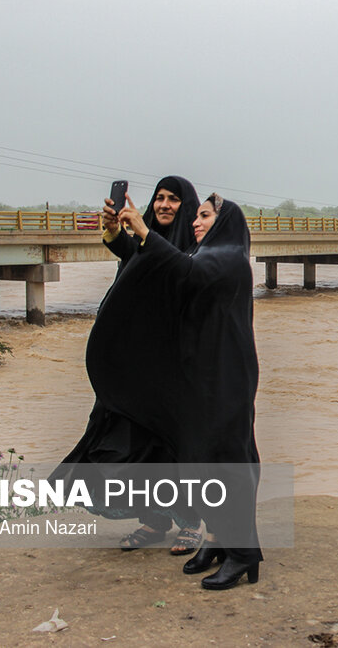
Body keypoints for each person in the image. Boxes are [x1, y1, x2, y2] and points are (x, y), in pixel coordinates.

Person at [93, 192, 263, 589]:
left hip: (226, 378)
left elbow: (184, 273)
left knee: (226, 462)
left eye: (205, 216)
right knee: (204, 460)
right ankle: (220, 541)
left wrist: (144, 230)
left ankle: (242, 553)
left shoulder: (228, 259)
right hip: (206, 378)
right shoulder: (209, 256)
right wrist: (121, 234)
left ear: (224, 222)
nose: (195, 222)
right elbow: (164, 272)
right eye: (197, 216)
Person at [60, 176, 203, 555]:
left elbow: (183, 274)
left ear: (186, 206)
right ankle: (153, 520)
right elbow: (132, 254)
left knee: (170, 447)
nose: (164, 205)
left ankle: (191, 524)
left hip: (172, 371)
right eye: (159, 198)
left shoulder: (197, 248)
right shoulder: (146, 240)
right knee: (124, 445)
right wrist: (112, 228)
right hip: (133, 370)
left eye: (173, 200)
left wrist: (142, 234)